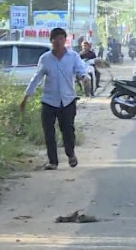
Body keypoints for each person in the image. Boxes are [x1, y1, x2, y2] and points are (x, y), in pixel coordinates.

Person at [21, 27, 91, 170]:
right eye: (55, 39)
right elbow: (36, 78)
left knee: (68, 130)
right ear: (51, 41)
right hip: (49, 101)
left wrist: (84, 78)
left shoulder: (73, 57)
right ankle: (53, 161)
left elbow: (81, 70)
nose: (58, 42)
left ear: (65, 40)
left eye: (61, 39)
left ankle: (70, 154)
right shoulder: (45, 59)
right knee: (49, 132)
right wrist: (26, 97)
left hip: (68, 100)